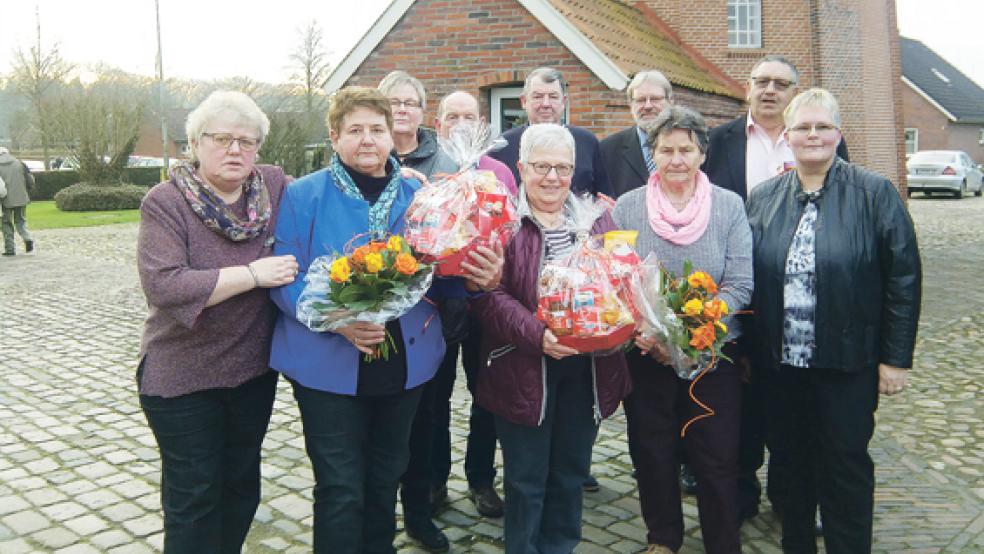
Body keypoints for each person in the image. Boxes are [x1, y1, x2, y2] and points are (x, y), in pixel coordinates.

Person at [269, 86, 501, 554]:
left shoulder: (422, 194)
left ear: (393, 136)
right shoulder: (304, 195)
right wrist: (337, 319)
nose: (368, 139)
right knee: (339, 487)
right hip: (327, 364)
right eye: (354, 130)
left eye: (377, 129)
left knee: (384, 477)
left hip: (405, 364)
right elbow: (282, 276)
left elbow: (444, 276)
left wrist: (480, 280)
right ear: (334, 137)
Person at [746, 88, 921, 554]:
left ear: (838, 133)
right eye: (802, 127)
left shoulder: (874, 193)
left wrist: (895, 358)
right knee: (790, 464)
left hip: (847, 361)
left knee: (844, 465)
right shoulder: (763, 199)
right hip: (781, 366)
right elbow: (748, 278)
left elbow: (903, 276)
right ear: (788, 136)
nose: (813, 135)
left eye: (823, 126)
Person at [136, 90, 299, 553]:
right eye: (221, 138)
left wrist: (396, 171)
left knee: (241, 487)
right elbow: (165, 286)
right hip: (183, 378)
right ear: (194, 143)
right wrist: (250, 275)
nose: (234, 150)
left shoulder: (271, 185)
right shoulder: (165, 202)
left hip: (250, 374)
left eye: (246, 141)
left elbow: (328, 190)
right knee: (195, 497)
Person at [702, 55, 848, 526]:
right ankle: (741, 493)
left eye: (781, 84)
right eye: (761, 81)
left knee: (794, 409)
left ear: (794, 92)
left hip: (800, 301)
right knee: (742, 409)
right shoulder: (719, 140)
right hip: (738, 291)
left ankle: (791, 496)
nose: (769, 90)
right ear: (747, 88)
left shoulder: (816, 140)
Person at [473, 123, 631, 553]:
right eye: (542, 166)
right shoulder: (499, 221)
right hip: (522, 367)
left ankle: (560, 546)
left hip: (587, 368)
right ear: (522, 168)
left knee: (571, 473)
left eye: (563, 168)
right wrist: (538, 335)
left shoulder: (597, 221)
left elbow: (617, 288)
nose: (552, 178)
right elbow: (487, 299)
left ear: (575, 171)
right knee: (526, 481)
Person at [613, 106, 753, 554]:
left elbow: (741, 284)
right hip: (648, 354)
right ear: (653, 153)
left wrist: (696, 327)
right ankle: (663, 538)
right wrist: (650, 332)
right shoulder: (628, 206)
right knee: (652, 453)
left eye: (686, 149)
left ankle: (722, 541)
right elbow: (618, 279)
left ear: (702, 154)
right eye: (666, 149)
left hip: (714, 357)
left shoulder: (729, 206)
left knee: (716, 456)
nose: (676, 159)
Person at [427, 90, 516, 522]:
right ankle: (434, 479)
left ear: (481, 123)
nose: (460, 122)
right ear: (438, 122)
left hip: (485, 300)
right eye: (452, 115)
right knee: (435, 394)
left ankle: (481, 478)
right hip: (436, 302)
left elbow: (512, 231)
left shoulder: (498, 170)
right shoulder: (431, 168)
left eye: (469, 115)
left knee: (486, 394)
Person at [490, 67, 612, 198]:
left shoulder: (587, 142)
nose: (546, 104)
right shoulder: (503, 146)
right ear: (524, 102)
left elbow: (604, 198)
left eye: (553, 97)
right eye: (538, 96)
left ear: (564, 102)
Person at [600, 70, 673, 198]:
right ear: (630, 104)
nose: (648, 106)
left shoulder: (690, 146)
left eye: (655, 99)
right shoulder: (608, 149)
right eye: (640, 100)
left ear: (670, 101)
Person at [0, 147, 35, 256]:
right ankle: (27, 238)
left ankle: (10, 249)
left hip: (4, 199)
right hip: (21, 197)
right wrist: (27, 191)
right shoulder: (20, 163)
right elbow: (30, 181)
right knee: (21, 221)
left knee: (6, 223)